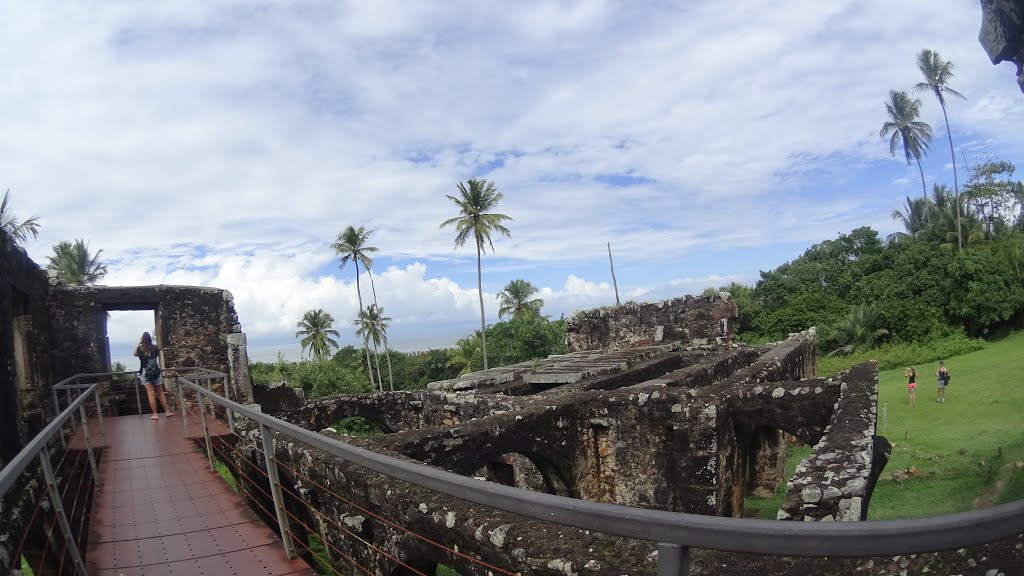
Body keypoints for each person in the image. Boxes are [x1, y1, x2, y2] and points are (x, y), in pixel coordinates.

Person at [134, 332, 174, 420]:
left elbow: (135, 354)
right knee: (160, 393)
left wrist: (139, 342)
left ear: (143, 339)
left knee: (151, 394)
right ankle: (167, 412)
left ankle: (155, 415)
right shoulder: (155, 347)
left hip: (145, 372)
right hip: (156, 372)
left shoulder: (140, 349)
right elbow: (157, 354)